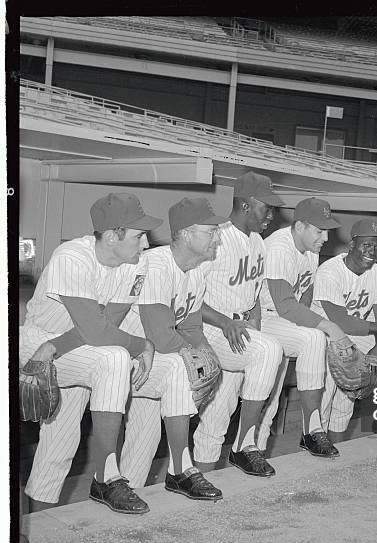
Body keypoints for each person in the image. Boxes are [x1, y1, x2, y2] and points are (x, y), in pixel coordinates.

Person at [20, 192, 162, 514]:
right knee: (114, 357)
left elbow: (106, 323)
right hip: (38, 342)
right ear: (112, 236)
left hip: (69, 348)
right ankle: (105, 478)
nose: (146, 245)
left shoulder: (138, 264)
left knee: (62, 440)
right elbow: (99, 331)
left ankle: (99, 481)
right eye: (139, 236)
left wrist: (57, 347)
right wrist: (144, 345)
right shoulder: (72, 256)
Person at [112, 197, 227, 500]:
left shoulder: (198, 268)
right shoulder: (156, 265)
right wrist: (197, 359)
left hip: (152, 363)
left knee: (142, 445)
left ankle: (128, 503)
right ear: (187, 234)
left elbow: (189, 327)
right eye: (210, 231)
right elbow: (162, 336)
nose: (217, 236)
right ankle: (181, 468)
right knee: (180, 368)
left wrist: (207, 355)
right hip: (124, 359)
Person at [192, 172, 284, 477]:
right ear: (246, 205)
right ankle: (245, 445)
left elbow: (254, 296)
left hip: (239, 332)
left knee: (218, 416)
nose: (271, 214)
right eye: (265, 207)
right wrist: (223, 323)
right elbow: (188, 295)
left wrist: (253, 329)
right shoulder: (216, 238)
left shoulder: (258, 242)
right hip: (211, 330)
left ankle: (204, 480)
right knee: (271, 350)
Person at [256, 197, 347, 457]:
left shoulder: (311, 249)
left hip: (287, 321)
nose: (326, 237)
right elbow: (284, 304)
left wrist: (307, 321)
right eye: (319, 230)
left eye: (327, 230)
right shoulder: (278, 247)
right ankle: (258, 448)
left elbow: (305, 294)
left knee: (313, 339)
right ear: (299, 227)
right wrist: (330, 327)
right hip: (265, 318)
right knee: (268, 397)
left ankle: (311, 431)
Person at [312, 219, 377, 442]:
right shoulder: (330, 271)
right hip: (326, 335)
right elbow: (340, 321)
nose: (372, 251)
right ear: (352, 245)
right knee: (327, 394)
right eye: (366, 245)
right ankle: (316, 440)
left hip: (358, 333)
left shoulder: (376, 273)